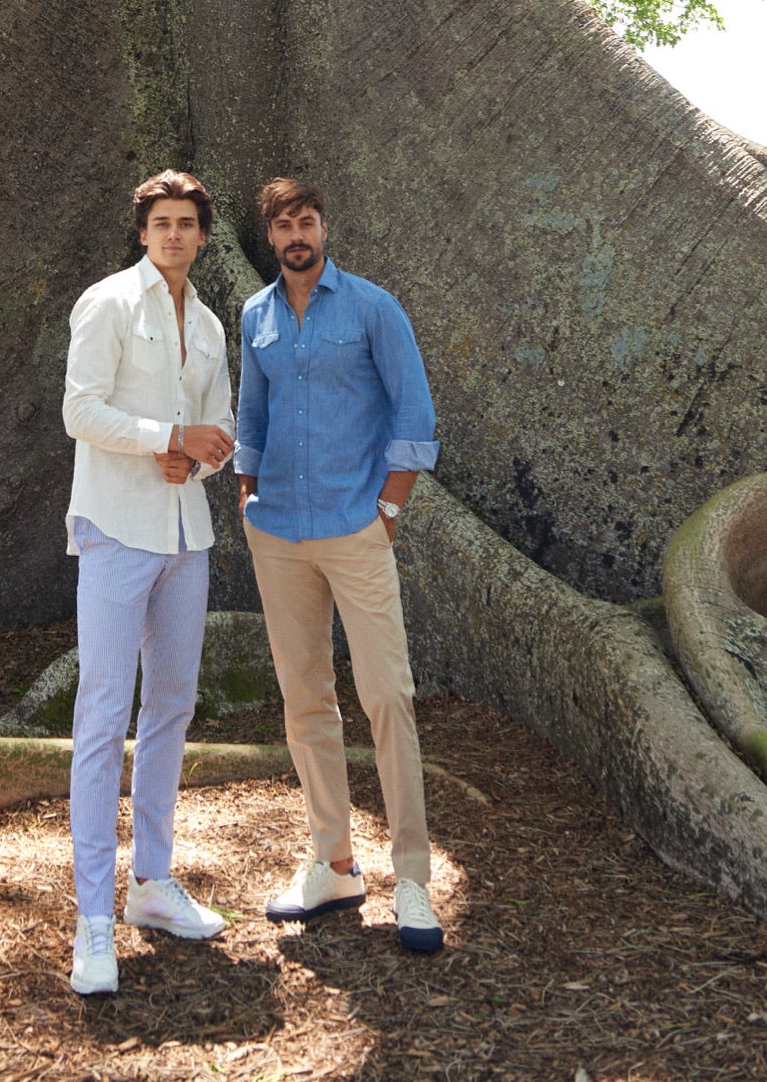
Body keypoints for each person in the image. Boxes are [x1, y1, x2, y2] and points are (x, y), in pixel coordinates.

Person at [235, 176, 445, 953]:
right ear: (270, 236)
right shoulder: (255, 315)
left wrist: (387, 510)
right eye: (284, 224)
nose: (298, 235)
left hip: (356, 528)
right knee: (304, 700)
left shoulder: (371, 307)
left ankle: (412, 879)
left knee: (387, 695)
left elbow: (413, 412)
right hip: (278, 532)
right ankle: (332, 861)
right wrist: (248, 494)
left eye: (308, 221)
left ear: (324, 229)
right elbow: (250, 414)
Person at [61, 169, 237, 997]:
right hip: (113, 529)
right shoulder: (106, 303)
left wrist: (197, 454)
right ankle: (93, 919)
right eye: (160, 222)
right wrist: (163, 434)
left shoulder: (205, 323)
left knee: (171, 703)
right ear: (142, 233)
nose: (173, 234)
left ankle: (152, 886)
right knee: (102, 712)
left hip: (183, 533)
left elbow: (221, 430)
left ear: (202, 235)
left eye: (186, 223)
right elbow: (78, 410)